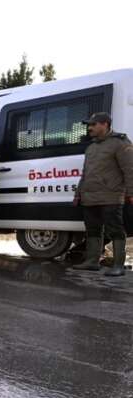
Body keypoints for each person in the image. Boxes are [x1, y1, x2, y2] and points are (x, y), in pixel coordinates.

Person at [73, 112, 133, 277]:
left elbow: (130, 170)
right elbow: (85, 174)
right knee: (92, 230)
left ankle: (118, 265)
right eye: (89, 125)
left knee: (115, 231)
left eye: (93, 124)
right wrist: (78, 194)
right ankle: (92, 262)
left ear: (105, 124)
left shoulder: (120, 143)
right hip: (89, 198)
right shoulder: (91, 147)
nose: (89, 128)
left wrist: (131, 193)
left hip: (111, 197)